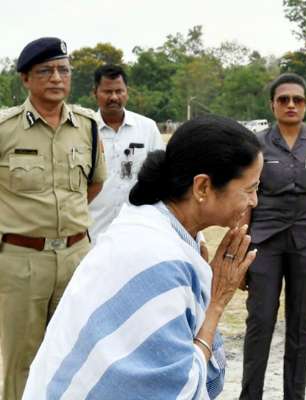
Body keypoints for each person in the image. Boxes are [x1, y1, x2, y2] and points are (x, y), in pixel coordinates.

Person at [22, 115, 262, 399]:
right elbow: (177, 388)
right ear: (202, 188)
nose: (254, 201)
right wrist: (216, 302)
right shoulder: (158, 255)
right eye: (249, 189)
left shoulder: (159, 228)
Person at [0, 37, 107, 400]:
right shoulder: (5, 129)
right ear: (26, 79)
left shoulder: (88, 126)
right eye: (45, 70)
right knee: (23, 360)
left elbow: (93, 186)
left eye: (63, 69)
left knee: (75, 353)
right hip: (21, 261)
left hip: (77, 256)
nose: (56, 78)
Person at [239, 72, 306, 400]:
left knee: (302, 324)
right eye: (283, 99)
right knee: (260, 321)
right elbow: (245, 199)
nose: (290, 105)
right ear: (272, 105)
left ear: (305, 104)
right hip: (264, 242)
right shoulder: (255, 144)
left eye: (297, 100)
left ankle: (294, 396)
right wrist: (240, 252)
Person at [88, 64, 165, 244]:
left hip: (138, 231)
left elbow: (162, 178)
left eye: (119, 91)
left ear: (127, 92)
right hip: (93, 233)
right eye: (107, 92)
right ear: (95, 93)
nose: (114, 97)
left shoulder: (147, 128)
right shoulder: (85, 129)